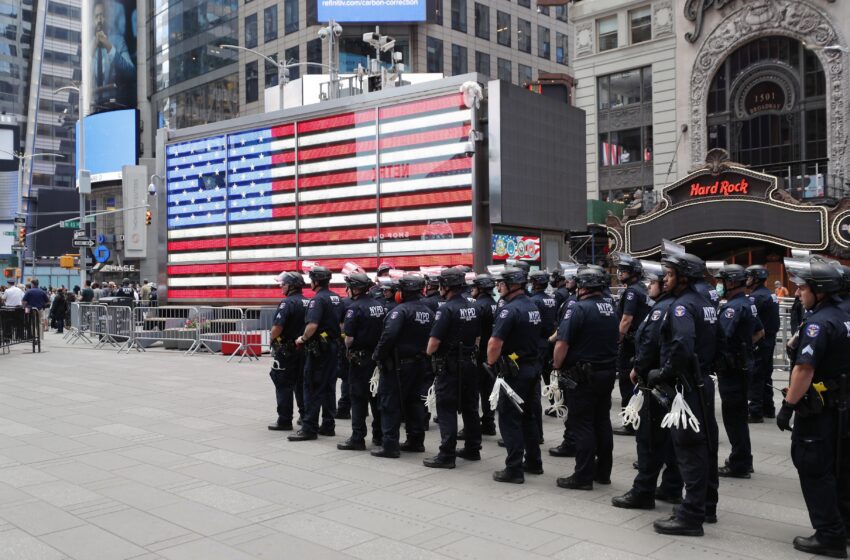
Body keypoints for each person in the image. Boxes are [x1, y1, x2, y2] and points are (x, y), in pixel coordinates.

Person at [777, 256, 850, 558]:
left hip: (819, 410)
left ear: (819, 290)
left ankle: (829, 535)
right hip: (843, 408)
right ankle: (843, 526)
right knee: (842, 468)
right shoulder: (844, 314)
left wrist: (788, 405)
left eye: (802, 288)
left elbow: (804, 370)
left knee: (814, 467)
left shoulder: (820, 323)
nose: (797, 293)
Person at [647, 252, 719, 536]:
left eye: (670, 274)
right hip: (701, 382)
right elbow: (720, 342)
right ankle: (707, 506)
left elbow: (682, 344)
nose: (665, 279)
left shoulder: (681, 307)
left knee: (689, 449)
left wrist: (664, 372)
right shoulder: (706, 303)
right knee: (706, 447)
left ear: (684, 277)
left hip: (687, 387)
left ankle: (691, 516)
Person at [612, 261, 683, 510]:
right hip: (675, 383)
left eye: (652, 283)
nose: (648, 286)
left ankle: (643, 491)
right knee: (672, 437)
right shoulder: (680, 305)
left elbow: (649, 344)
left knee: (649, 440)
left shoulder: (660, 309)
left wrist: (637, 369)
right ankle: (672, 487)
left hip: (654, 382)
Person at [552, 267, 619, 490]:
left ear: (583, 287)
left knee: (582, 424)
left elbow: (562, 343)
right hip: (606, 372)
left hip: (582, 375)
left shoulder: (578, 308)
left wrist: (556, 366)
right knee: (602, 421)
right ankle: (603, 472)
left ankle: (582, 476)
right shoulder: (610, 308)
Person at [487, 267, 543, 483]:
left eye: (501, 283)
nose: (498, 287)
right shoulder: (532, 306)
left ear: (511, 285)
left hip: (513, 372)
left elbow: (495, 343)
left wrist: (491, 364)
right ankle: (534, 462)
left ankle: (514, 469)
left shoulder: (508, 310)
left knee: (510, 419)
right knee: (528, 417)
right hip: (531, 368)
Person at [424, 267, 481, 469]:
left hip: (449, 366)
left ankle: (447, 455)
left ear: (446, 286)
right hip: (469, 362)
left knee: (446, 408)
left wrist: (430, 356)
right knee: (470, 407)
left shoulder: (446, 309)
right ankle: (473, 448)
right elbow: (477, 337)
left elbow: (432, 344)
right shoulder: (473, 306)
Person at [372, 275, 433, 458]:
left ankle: (390, 446)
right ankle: (416, 441)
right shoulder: (428, 312)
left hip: (398, 367)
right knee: (414, 403)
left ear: (402, 293)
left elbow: (388, 336)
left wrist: (378, 355)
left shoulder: (400, 311)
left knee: (390, 403)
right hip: (420, 364)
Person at [714, 264, 764, 479]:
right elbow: (760, 332)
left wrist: (731, 353)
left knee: (733, 418)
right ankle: (744, 458)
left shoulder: (733, 307)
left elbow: (720, 338)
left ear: (732, 282)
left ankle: (739, 463)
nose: (719, 285)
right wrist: (744, 348)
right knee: (740, 417)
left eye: (722, 281)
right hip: (743, 366)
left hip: (732, 370)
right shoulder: (748, 304)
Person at [288, 266, 342, 441]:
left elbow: (312, 325)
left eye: (311, 279)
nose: (310, 282)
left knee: (311, 386)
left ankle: (309, 428)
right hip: (333, 347)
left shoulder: (317, 300)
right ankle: (328, 425)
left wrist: (302, 339)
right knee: (329, 387)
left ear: (316, 281)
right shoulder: (336, 298)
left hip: (319, 350)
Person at [338, 273, 386, 451]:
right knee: (376, 398)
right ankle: (379, 436)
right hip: (376, 359)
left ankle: (358, 438)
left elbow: (349, 338)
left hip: (359, 360)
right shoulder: (380, 306)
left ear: (355, 288)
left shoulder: (354, 308)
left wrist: (347, 346)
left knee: (358, 398)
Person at [613, 253, 651, 436]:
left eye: (624, 270)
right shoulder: (642, 288)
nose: (620, 273)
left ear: (634, 272)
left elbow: (626, 319)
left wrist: (617, 340)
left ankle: (629, 422)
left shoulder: (631, 291)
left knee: (626, 381)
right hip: (640, 342)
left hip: (630, 343)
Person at [267, 272, 307, 431]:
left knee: (283, 383)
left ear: (291, 286)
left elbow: (277, 328)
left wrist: (271, 338)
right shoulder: (308, 302)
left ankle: (284, 420)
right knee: (301, 383)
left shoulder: (287, 303)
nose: (280, 286)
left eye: (283, 284)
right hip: (303, 349)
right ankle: (305, 417)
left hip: (286, 351)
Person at [747, 265, 781, 423]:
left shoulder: (756, 297)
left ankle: (755, 411)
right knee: (766, 374)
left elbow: (751, 320)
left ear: (755, 278)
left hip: (761, 340)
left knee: (756, 375)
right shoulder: (769, 294)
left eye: (749, 277)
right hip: (770, 339)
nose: (746, 280)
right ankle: (769, 408)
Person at [528, 270, 558, 436]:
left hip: (538, 344)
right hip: (550, 341)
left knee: (535, 384)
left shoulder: (534, 301)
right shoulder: (551, 299)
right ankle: (554, 403)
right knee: (549, 376)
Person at [91, 0, 135, 107]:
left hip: (115, 105)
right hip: (93, 108)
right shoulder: (89, 46)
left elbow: (131, 72)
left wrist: (108, 46)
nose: (100, 20)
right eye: (97, 16)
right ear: (93, 20)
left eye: (102, 15)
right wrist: (91, 51)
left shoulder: (118, 41)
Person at [471, 273, 498, 436]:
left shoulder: (478, 306)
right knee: (488, 389)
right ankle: (489, 422)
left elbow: (475, 333)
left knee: (474, 390)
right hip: (492, 352)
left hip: (480, 353)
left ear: (480, 288)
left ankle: (473, 426)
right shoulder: (495, 303)